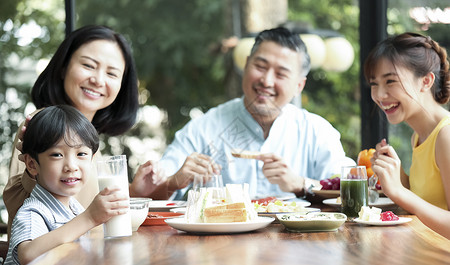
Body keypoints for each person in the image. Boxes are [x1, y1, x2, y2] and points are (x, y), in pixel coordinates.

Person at [152, 27, 354, 200]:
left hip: (298, 245)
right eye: (260, 66)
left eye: (281, 74)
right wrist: (173, 182)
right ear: (246, 64)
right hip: (220, 244)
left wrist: (300, 184)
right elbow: (151, 192)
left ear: (299, 85)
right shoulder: (203, 128)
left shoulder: (317, 132)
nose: (266, 81)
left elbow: (350, 188)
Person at [3, 25, 162, 239]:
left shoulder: (89, 138)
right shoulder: (40, 127)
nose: (98, 80)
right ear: (63, 67)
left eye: (112, 73)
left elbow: (84, 207)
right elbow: (26, 211)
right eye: (88, 65)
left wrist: (134, 191)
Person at [4, 105, 129, 265]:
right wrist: (90, 218)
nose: (71, 166)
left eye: (81, 154)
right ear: (32, 164)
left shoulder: (74, 208)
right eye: (57, 155)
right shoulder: (33, 211)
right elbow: (28, 254)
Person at [364, 32, 450, 238]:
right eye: (374, 84)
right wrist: (398, 176)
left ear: (426, 81)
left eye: (390, 81)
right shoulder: (419, 135)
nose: (379, 95)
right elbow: (431, 200)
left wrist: (399, 192)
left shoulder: (446, 135)